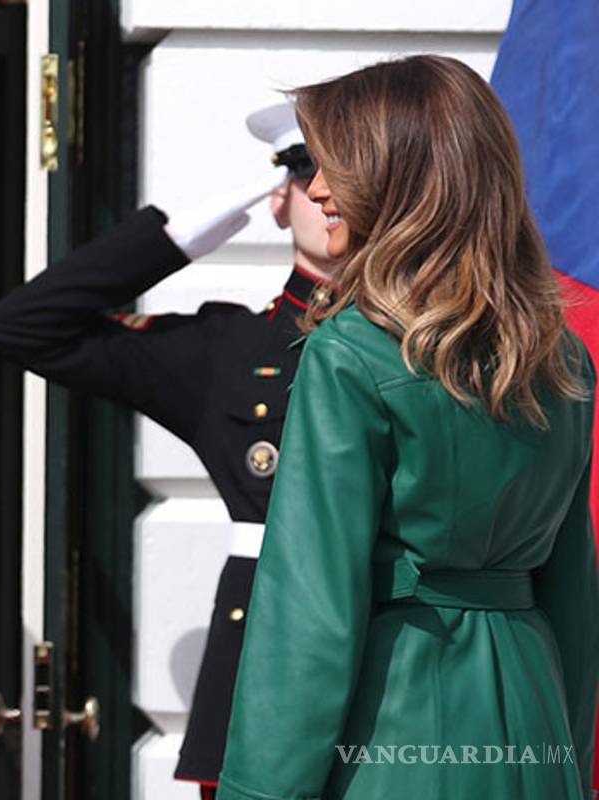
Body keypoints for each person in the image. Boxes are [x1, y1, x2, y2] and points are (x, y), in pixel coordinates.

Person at [216, 55, 599, 800]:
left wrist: (257, 792)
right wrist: (570, 760)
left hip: (398, 731)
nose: (317, 188)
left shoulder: (351, 352)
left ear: (403, 182)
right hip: (534, 726)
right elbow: (576, 595)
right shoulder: (563, 359)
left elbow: (309, 613)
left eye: (338, 166)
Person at [0, 103, 335, 796]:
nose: (329, 193)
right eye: (305, 173)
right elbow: (21, 328)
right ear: (279, 199)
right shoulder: (228, 351)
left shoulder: (431, 344)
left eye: (356, 176)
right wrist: (172, 242)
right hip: (267, 655)